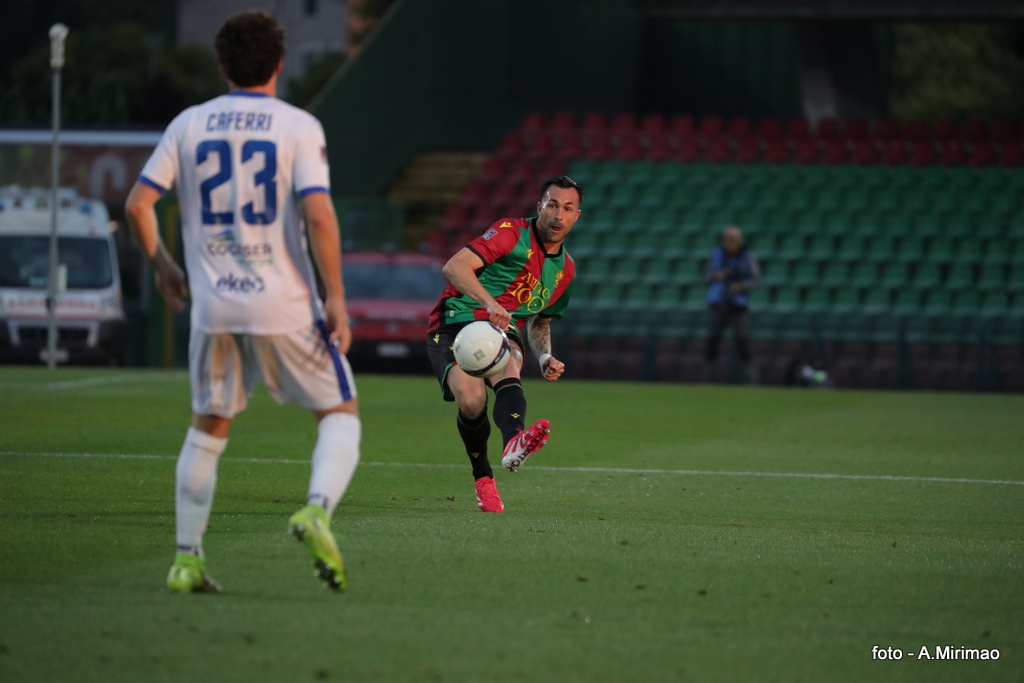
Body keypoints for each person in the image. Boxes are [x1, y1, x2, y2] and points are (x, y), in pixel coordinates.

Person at [124, 10, 360, 593]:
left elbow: (137, 205)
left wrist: (164, 266)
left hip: (214, 307)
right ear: (279, 63)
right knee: (339, 414)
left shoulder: (189, 123)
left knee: (208, 429)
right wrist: (335, 295)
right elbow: (319, 214)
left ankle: (187, 560)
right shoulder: (299, 125)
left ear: (223, 64)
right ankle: (316, 509)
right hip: (285, 304)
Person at [427, 176, 581, 512]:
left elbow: (540, 321)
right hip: (456, 321)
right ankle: (483, 478)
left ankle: (514, 442)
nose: (558, 215)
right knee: (472, 402)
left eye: (568, 208)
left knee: (510, 362)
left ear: (576, 216)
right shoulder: (511, 231)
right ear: (540, 206)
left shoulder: (565, 271)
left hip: (501, 332)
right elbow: (455, 267)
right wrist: (490, 303)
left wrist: (545, 357)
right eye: (553, 205)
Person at [704, 225, 761, 382]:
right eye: (728, 239)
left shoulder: (748, 257)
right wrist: (717, 276)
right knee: (713, 339)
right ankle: (708, 377)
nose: (730, 242)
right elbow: (706, 277)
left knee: (743, 340)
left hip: (738, 305)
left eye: (734, 239)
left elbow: (756, 280)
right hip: (719, 303)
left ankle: (751, 378)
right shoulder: (716, 255)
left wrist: (740, 286)